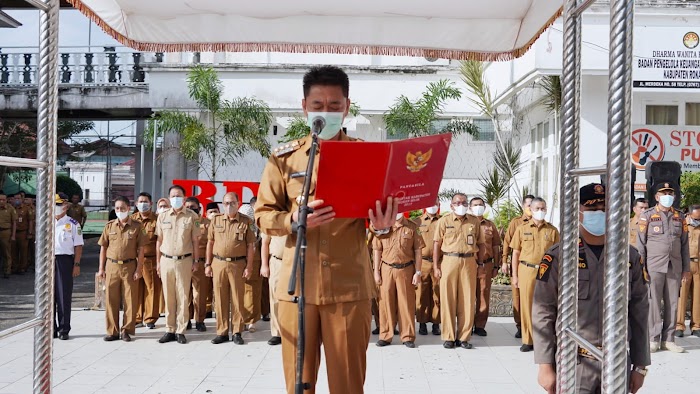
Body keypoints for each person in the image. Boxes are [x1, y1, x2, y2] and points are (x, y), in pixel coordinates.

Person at [255, 65, 397, 393]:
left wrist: (384, 228)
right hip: (297, 290)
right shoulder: (284, 160)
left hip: (348, 290)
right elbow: (263, 214)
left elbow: (380, 218)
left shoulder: (366, 156)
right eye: (318, 106)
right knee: (298, 385)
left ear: (347, 107)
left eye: (335, 106)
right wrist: (293, 220)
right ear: (304, 107)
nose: (326, 113)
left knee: (348, 384)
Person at [533, 183, 650, 394]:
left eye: (605, 209)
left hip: (617, 360)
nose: (600, 214)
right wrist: (545, 365)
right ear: (578, 213)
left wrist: (640, 366)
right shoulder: (560, 256)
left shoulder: (629, 257)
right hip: (574, 360)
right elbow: (543, 311)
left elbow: (640, 313)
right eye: (592, 209)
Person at [637, 183, 691, 353]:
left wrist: (686, 268)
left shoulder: (679, 217)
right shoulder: (647, 216)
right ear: (657, 197)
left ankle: (669, 339)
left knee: (673, 302)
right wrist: (641, 267)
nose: (667, 196)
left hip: (674, 265)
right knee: (653, 302)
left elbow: (684, 245)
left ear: (674, 197)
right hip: (654, 265)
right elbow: (641, 244)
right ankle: (653, 338)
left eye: (670, 193)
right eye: (663, 193)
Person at [433, 193, 485, 350]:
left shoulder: (474, 221)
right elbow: (437, 244)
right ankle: (449, 336)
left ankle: (464, 337)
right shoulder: (444, 221)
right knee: (448, 299)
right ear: (451, 205)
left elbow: (481, 244)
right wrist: (436, 266)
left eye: (463, 202)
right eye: (457, 202)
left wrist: (480, 263)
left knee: (467, 300)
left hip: (469, 261)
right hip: (449, 260)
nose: (460, 205)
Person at [510, 197, 559, 352]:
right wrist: (515, 276)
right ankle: (528, 339)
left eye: (543, 208)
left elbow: (558, 253)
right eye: (537, 208)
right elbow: (516, 253)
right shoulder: (521, 229)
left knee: (546, 306)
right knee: (526, 306)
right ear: (530, 210)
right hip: (527, 269)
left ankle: (543, 341)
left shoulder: (552, 230)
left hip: (547, 270)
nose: (540, 211)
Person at [206, 192, 255, 345]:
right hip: (218, 263)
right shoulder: (216, 220)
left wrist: (249, 266)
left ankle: (237, 331)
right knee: (220, 299)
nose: (229, 206)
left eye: (232, 203)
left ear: (238, 203)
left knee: (237, 298)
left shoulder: (246, 222)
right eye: (226, 203)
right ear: (222, 204)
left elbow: (250, 246)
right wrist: (208, 264)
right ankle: (222, 332)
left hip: (238, 264)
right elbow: (210, 243)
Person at [155, 185, 201, 344]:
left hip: (184, 260)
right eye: (173, 196)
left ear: (184, 198)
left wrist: (196, 261)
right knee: (168, 295)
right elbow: (159, 240)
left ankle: (181, 330)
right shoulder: (162, 216)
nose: (176, 198)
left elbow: (196, 241)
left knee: (182, 295)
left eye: (179, 196)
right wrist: (158, 262)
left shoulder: (192, 216)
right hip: (166, 260)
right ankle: (169, 329)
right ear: (168, 198)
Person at [97, 196, 145, 342]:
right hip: (111, 266)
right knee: (111, 299)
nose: (120, 211)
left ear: (128, 209)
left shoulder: (137, 226)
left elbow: (141, 249)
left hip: (129, 266)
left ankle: (127, 330)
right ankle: (112, 331)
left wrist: (139, 269)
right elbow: (103, 248)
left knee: (130, 300)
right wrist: (101, 269)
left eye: (122, 208)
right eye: (117, 208)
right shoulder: (109, 226)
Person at [373, 213, 424, 348]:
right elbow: (377, 250)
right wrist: (376, 272)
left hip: (406, 269)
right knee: (385, 304)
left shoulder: (412, 227)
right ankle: (385, 335)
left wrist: (418, 272)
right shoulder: (382, 226)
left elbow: (418, 250)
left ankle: (407, 336)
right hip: (386, 269)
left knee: (406, 303)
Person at [501, 194, 535, 339]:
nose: (531, 209)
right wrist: (504, 261)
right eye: (529, 206)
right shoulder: (516, 223)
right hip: (520, 266)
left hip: (537, 268)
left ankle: (532, 327)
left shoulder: (542, 224)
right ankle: (520, 325)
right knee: (518, 297)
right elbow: (507, 242)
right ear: (523, 207)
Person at [469, 197, 501, 337]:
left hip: (486, 265)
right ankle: (467, 325)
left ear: (485, 207)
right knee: (467, 296)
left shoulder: (490, 225)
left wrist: (496, 266)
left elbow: (495, 246)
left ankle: (480, 325)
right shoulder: (466, 223)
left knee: (483, 295)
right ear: (470, 208)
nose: (478, 207)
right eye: (475, 205)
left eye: (480, 205)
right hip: (468, 264)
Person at [54, 193, 83, 340]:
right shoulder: (46, 221)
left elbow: (78, 246)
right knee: (47, 297)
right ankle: (50, 328)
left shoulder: (73, 224)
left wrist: (76, 264)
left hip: (64, 261)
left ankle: (64, 329)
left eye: (58, 204)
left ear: (65, 206)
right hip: (47, 261)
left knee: (63, 295)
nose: (55, 207)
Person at [131, 192, 161, 329]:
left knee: (152, 288)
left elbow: (160, 241)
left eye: (145, 201)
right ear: (136, 204)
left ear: (151, 203)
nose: (143, 204)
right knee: (136, 289)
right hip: (134, 260)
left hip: (151, 260)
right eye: (140, 201)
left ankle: (150, 318)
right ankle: (137, 318)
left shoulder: (157, 220)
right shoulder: (131, 220)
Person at [414, 201, 441, 336]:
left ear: (439, 203)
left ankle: (436, 323)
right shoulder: (416, 221)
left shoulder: (443, 221)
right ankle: (422, 323)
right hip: (422, 262)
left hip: (439, 263)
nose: (433, 204)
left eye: (436, 202)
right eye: (432, 201)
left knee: (438, 293)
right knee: (421, 294)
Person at [186, 196, 211, 332]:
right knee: (185, 293)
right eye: (188, 207)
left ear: (199, 209)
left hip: (200, 263)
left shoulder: (207, 224)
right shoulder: (183, 222)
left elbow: (210, 244)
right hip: (184, 261)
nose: (190, 210)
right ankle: (186, 319)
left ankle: (199, 320)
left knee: (199, 294)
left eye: (193, 207)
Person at [239, 201, 264, 333]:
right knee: (240, 291)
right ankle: (241, 319)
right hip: (239, 260)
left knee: (253, 291)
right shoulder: (238, 225)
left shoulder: (258, 227)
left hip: (255, 260)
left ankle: (252, 321)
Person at [676, 204, 700, 337]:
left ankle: (696, 326)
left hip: (698, 264)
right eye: (696, 217)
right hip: (685, 264)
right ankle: (679, 326)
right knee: (682, 295)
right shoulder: (682, 226)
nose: (698, 220)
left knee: (698, 296)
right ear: (690, 215)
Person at [261, 231, 286, 345]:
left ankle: (296, 331)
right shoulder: (272, 218)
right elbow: (265, 243)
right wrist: (264, 265)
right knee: (275, 298)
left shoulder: (298, 217)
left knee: (296, 300)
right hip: (277, 262)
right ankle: (277, 333)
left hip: (296, 263)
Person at [12, 194, 34, 275]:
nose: (16, 200)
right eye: (15, 198)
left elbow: (30, 221)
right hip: (14, 232)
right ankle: (14, 267)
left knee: (23, 251)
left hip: (23, 232)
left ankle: (22, 268)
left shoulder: (27, 209)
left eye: (18, 198)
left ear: (22, 199)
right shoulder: (12, 208)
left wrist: (30, 232)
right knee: (13, 251)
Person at [0, 193, 17, 279]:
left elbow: (14, 223)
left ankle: (7, 271)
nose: (1, 201)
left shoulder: (10, 208)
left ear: (6, 200)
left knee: (6, 252)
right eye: (0, 200)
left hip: (6, 232)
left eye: (3, 200)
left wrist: (13, 235)